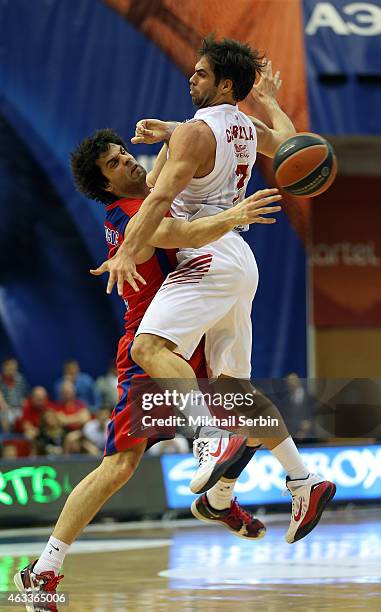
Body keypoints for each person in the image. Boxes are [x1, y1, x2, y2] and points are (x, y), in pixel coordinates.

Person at [14, 127, 281, 609]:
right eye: (116, 164)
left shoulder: (152, 191)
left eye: (123, 154)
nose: (127, 162)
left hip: (188, 331)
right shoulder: (131, 213)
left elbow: (174, 156)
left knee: (244, 414)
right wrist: (235, 215)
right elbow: (183, 232)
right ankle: (43, 569)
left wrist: (169, 130)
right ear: (108, 188)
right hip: (151, 344)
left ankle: (219, 499)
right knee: (119, 466)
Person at [92, 35, 335, 543]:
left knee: (148, 347)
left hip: (208, 254)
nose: (191, 78)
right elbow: (290, 145)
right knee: (234, 390)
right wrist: (266, 100)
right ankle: (302, 480)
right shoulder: (244, 126)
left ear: (224, 83)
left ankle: (210, 433)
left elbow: (157, 204)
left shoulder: (196, 133)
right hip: (239, 260)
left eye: (200, 73)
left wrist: (125, 252)